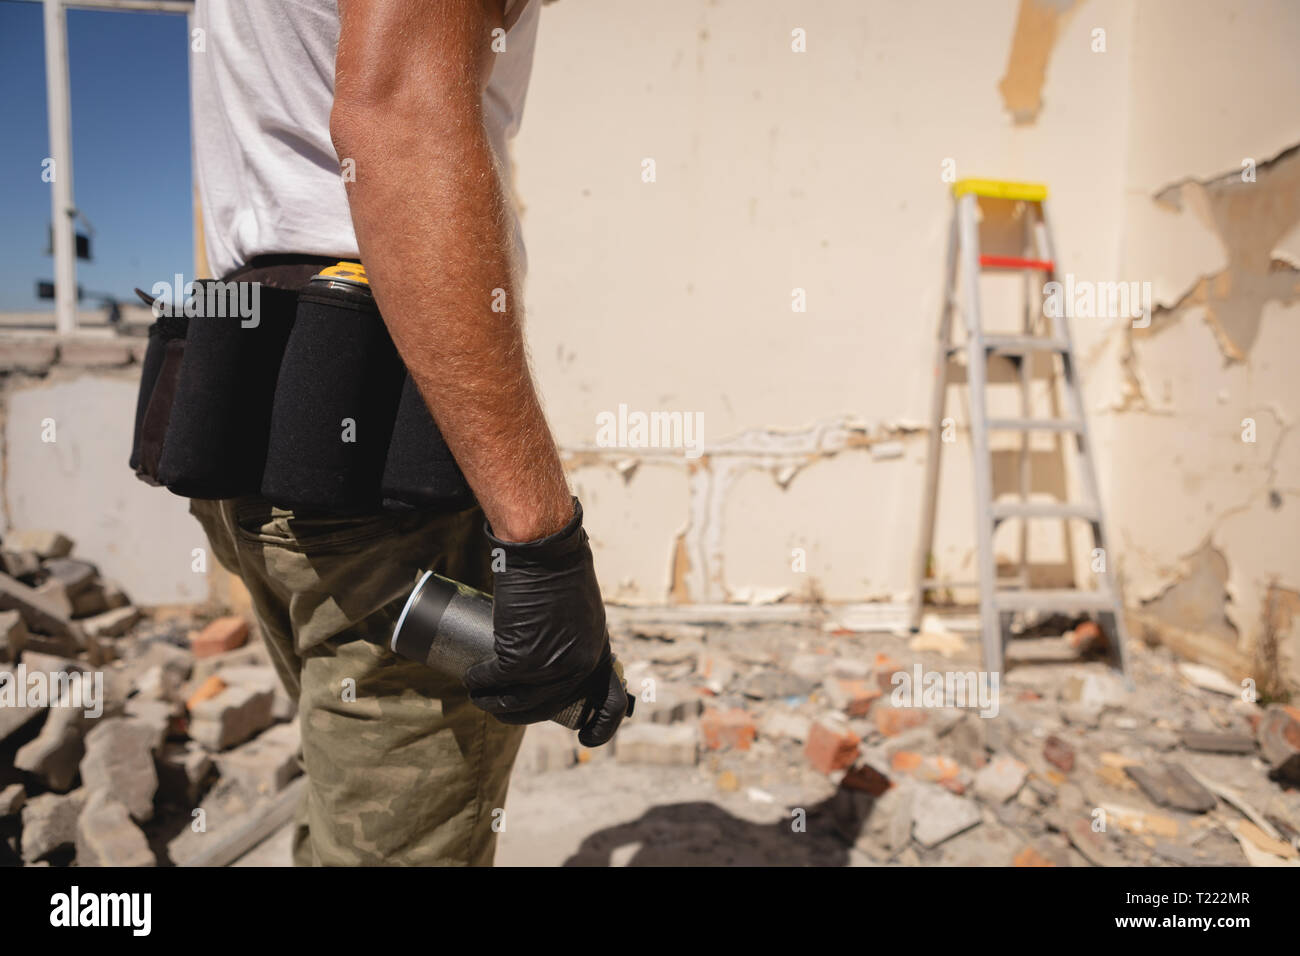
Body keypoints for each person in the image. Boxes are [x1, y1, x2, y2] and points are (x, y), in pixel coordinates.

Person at [141, 0, 626, 866]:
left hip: (255, 426)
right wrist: (543, 541)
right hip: (374, 467)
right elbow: (395, 117)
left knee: (343, 796)